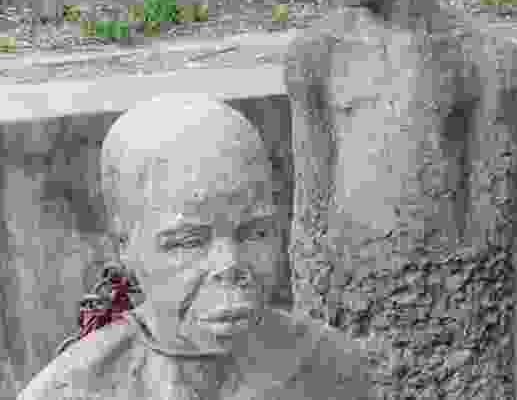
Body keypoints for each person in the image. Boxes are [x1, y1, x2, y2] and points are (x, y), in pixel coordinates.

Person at [284, 0, 517, 397]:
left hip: (450, 314)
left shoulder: (483, 60)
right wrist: (322, 301)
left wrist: (460, 317)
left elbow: (492, 217)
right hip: (351, 302)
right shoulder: (315, 57)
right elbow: (310, 207)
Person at [18, 94, 375, 400]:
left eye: (255, 233)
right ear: (124, 246)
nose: (229, 264)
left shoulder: (331, 368)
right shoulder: (75, 390)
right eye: (189, 242)